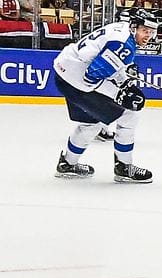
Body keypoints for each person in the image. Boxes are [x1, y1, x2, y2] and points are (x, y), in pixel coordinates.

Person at [51, 7, 156, 182]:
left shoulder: (121, 28)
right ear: (134, 27)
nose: (148, 36)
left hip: (63, 74)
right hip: (78, 80)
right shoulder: (124, 45)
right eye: (145, 31)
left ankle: (67, 164)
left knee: (91, 121)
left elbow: (103, 61)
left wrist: (123, 82)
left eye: (151, 32)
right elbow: (91, 76)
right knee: (130, 113)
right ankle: (124, 167)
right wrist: (118, 94)